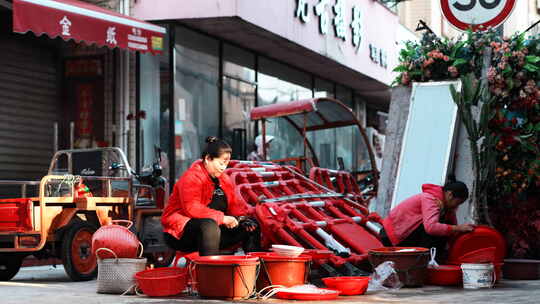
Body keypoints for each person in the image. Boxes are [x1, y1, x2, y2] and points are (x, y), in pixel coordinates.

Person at [162, 136, 260, 256]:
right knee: (209, 225)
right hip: (180, 233)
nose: (223, 167)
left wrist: (241, 218)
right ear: (208, 159)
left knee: (252, 225)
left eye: (226, 164)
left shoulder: (224, 179)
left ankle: (254, 270)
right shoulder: (191, 177)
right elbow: (192, 208)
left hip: (214, 231)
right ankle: (210, 272)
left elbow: (234, 206)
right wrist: (222, 218)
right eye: (220, 163)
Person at [379, 177, 474, 260]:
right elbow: (431, 227)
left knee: (445, 228)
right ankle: (429, 263)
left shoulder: (447, 207)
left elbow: (452, 229)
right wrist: (457, 228)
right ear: (449, 195)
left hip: (406, 235)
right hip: (393, 236)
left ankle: (432, 261)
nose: (457, 207)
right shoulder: (430, 199)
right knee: (438, 229)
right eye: (457, 203)